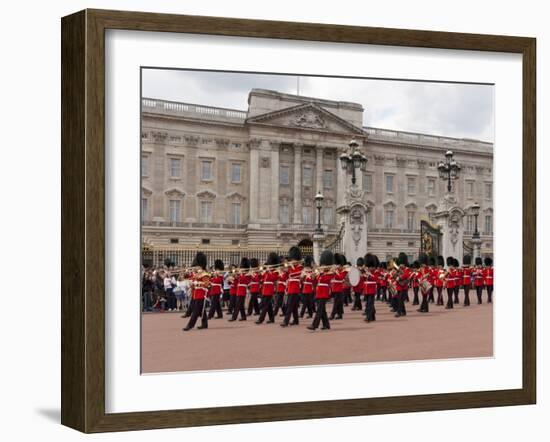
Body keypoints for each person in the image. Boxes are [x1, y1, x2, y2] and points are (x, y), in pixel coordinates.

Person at [308, 250, 335, 331]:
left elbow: (325, 280)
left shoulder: (330, 273)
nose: (322, 266)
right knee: (322, 310)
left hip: (324, 292)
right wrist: (312, 277)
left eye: (324, 264)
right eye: (322, 264)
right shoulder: (320, 273)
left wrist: (321, 273)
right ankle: (326, 325)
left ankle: (314, 325)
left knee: (319, 310)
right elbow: (316, 282)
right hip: (319, 292)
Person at [183, 252, 209, 331]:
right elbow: (191, 282)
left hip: (201, 294)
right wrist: (191, 284)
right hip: (195, 294)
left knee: (195, 310)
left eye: (197, 266)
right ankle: (205, 324)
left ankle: (190, 325)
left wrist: (197, 283)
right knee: (201, 310)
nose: (195, 267)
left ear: (201, 265)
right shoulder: (196, 274)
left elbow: (206, 284)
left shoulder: (205, 274)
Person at [281, 246, 303, 327]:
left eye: (293, 260)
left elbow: (295, 274)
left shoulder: (300, 267)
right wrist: (284, 271)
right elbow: (285, 277)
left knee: (289, 305)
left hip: (295, 288)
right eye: (292, 260)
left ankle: (285, 321)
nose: (292, 261)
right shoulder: (290, 267)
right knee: (293, 305)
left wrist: (291, 268)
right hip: (290, 287)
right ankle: (296, 320)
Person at [256, 253, 279, 324]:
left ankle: (261, 319)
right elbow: (261, 279)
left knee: (265, 305)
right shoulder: (267, 272)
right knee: (268, 305)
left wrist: (268, 271)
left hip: (269, 290)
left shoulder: (275, 272)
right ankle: (272, 319)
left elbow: (273, 279)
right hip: (264, 290)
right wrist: (259, 274)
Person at [229, 257, 249, 321]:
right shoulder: (240, 275)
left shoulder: (247, 275)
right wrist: (234, 277)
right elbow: (237, 281)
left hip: (242, 291)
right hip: (238, 291)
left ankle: (234, 317)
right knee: (241, 305)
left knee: (237, 304)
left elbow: (246, 281)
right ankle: (244, 317)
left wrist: (240, 274)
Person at [329, 253, 347, 320]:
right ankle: (340, 315)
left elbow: (340, 278)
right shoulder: (336, 270)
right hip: (334, 287)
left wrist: (335, 272)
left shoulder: (344, 271)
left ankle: (332, 315)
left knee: (336, 302)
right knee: (339, 302)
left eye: (338, 265)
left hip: (340, 288)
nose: (337, 266)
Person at [394, 253, 411, 317]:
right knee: (399, 300)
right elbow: (395, 276)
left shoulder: (407, 269)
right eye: (400, 264)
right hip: (398, 286)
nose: (400, 265)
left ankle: (399, 312)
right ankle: (403, 312)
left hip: (404, 287)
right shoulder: (399, 269)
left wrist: (400, 277)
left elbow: (406, 275)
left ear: (404, 263)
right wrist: (396, 274)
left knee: (400, 300)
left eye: (401, 264)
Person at [363, 253, 378, 322]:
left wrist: (370, 275)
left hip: (372, 290)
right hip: (366, 290)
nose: (369, 268)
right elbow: (363, 280)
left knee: (369, 304)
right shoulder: (367, 271)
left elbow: (375, 279)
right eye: (368, 267)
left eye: (370, 267)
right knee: (369, 304)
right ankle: (373, 316)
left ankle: (368, 317)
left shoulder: (376, 272)